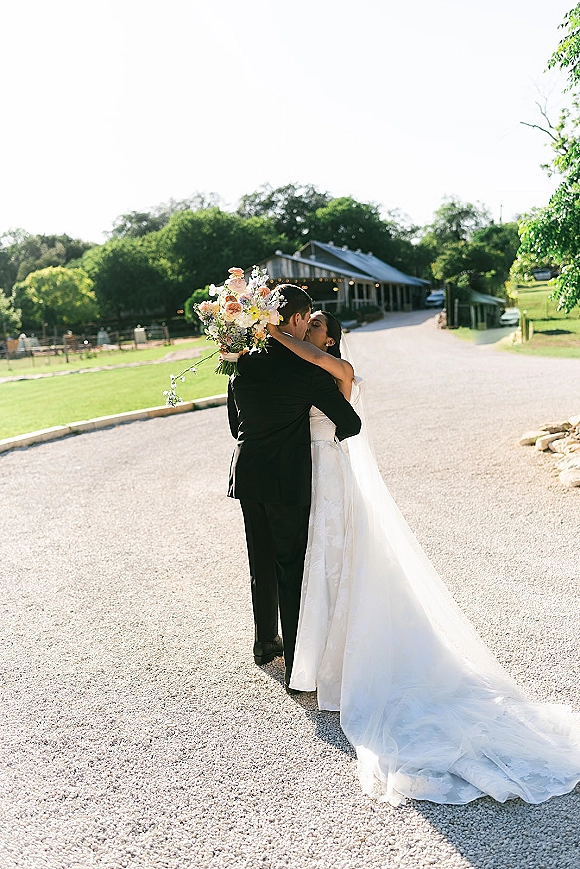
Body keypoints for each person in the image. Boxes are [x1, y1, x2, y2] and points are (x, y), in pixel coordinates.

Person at [267, 311, 580, 806]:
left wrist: (274, 330)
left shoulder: (338, 368)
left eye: (320, 325)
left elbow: (313, 359)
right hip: (310, 471)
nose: (313, 328)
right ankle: (324, 652)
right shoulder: (305, 367)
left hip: (335, 470)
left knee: (343, 558)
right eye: (311, 322)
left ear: (331, 337)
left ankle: (350, 660)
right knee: (322, 561)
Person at [227, 287, 361, 694]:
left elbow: (236, 426)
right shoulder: (306, 371)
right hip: (286, 479)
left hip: (247, 475)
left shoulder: (241, 362)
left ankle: (265, 643)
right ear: (300, 319)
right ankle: (296, 670)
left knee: (260, 560)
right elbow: (350, 423)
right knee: (291, 567)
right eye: (309, 319)